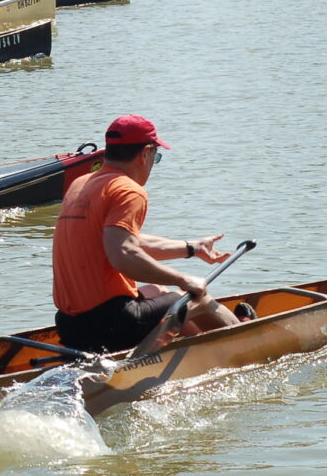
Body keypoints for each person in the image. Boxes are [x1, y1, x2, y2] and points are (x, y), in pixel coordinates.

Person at [51, 115, 246, 354]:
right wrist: (183, 279)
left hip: (69, 326)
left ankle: (200, 348)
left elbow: (124, 241)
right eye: (156, 157)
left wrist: (191, 248)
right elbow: (123, 253)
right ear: (146, 153)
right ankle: (247, 340)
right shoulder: (128, 190)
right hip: (111, 324)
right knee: (197, 296)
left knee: (156, 291)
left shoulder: (80, 184)